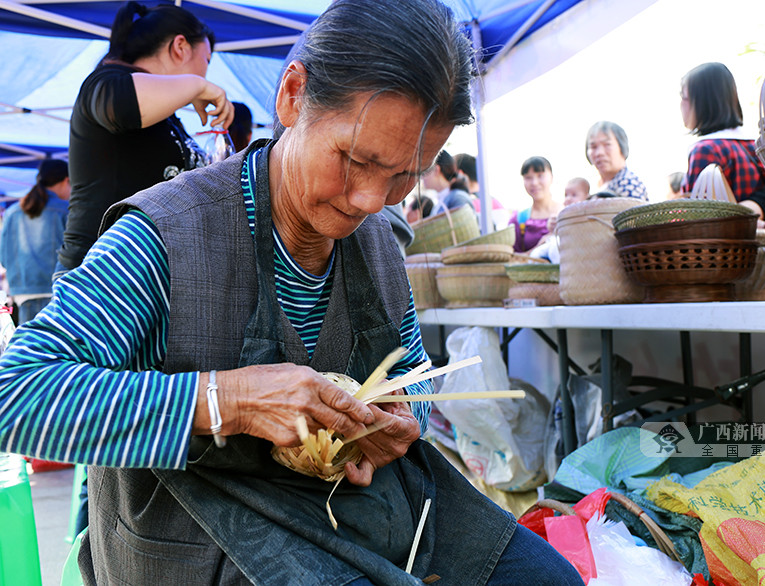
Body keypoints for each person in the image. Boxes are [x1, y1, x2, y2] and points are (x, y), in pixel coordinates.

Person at [0, 1, 582, 584]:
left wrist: (406, 416)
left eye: (405, 176)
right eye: (356, 160)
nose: (370, 200)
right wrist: (227, 402)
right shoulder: (167, 234)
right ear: (293, 95)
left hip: (354, 513)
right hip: (199, 531)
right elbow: (17, 394)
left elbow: (414, 369)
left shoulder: (379, 240)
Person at [56, 1, 234, 274]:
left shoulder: (164, 116)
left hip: (142, 275)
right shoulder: (105, 81)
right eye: (206, 61)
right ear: (180, 47)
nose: (206, 73)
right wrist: (197, 85)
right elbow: (120, 104)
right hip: (101, 275)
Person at [680, 62, 765, 220]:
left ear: (703, 103)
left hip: (722, 241)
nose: (681, 104)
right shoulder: (757, 145)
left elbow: (696, 215)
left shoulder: (705, 150)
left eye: (684, 97)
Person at [0, 159, 70, 325]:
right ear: (67, 180)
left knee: (29, 348)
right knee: (54, 348)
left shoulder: (12, 212)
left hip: (22, 292)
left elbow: (3, 258)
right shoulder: (65, 209)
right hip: (57, 292)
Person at [510, 156, 562, 253]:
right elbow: (513, 259)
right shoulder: (518, 220)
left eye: (540, 175)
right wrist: (539, 248)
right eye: (528, 178)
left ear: (552, 177)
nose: (534, 183)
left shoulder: (567, 213)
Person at [584, 121, 648, 200]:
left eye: (607, 144)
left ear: (622, 147)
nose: (599, 153)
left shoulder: (628, 183)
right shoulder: (594, 187)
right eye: (593, 147)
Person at [423, 149, 474, 214]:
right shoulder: (446, 198)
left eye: (424, 172)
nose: (421, 177)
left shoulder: (458, 198)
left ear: (436, 170)